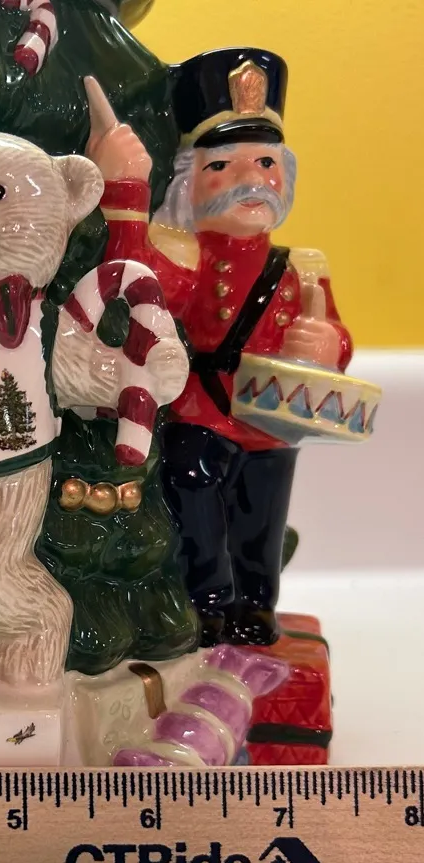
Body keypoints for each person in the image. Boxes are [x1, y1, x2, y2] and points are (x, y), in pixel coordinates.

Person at [84, 49, 353, 646]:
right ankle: (207, 599)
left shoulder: (302, 267)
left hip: (271, 415)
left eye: (266, 162)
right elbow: (131, 280)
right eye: (224, 166)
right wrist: (125, 188)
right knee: (192, 480)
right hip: (200, 409)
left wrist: (327, 343)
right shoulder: (186, 253)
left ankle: (256, 602)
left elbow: (337, 336)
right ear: (189, 181)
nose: (251, 180)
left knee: (262, 511)